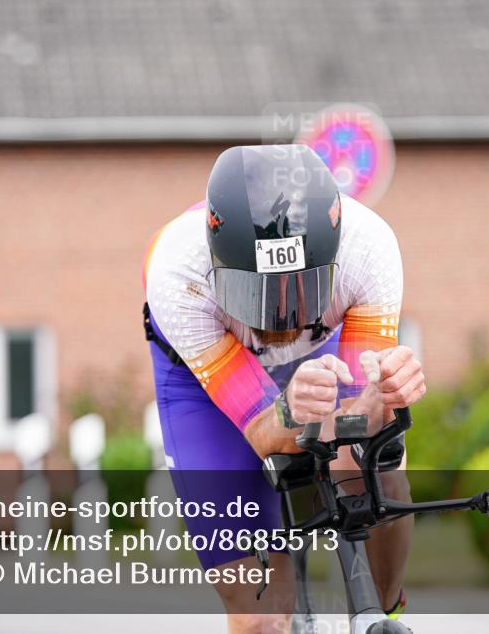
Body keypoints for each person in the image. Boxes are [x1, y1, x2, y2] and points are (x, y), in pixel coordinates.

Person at [142, 144, 425, 633]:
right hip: (205, 372)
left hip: (324, 351)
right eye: (255, 290)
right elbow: (260, 430)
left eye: (302, 286)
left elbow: (358, 420)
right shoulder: (177, 272)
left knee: (371, 460)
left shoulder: (369, 248)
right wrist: (290, 415)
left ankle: (382, 612)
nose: (281, 315)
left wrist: (382, 398)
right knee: (260, 618)